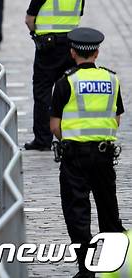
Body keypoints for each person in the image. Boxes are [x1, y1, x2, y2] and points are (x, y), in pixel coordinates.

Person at [50, 28, 125, 278]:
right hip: (104, 154)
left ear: (72, 53)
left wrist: (70, 139)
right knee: (108, 210)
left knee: (77, 212)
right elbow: (117, 117)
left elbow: (54, 125)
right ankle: (115, 266)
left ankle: (87, 268)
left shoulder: (65, 82)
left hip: (75, 156)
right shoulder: (112, 79)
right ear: (97, 52)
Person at [24, 0, 84, 151]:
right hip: (72, 47)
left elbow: (29, 19)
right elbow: (79, 13)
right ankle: (68, 134)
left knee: (42, 92)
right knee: (67, 91)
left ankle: (43, 140)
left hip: (47, 48)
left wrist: (35, 35)